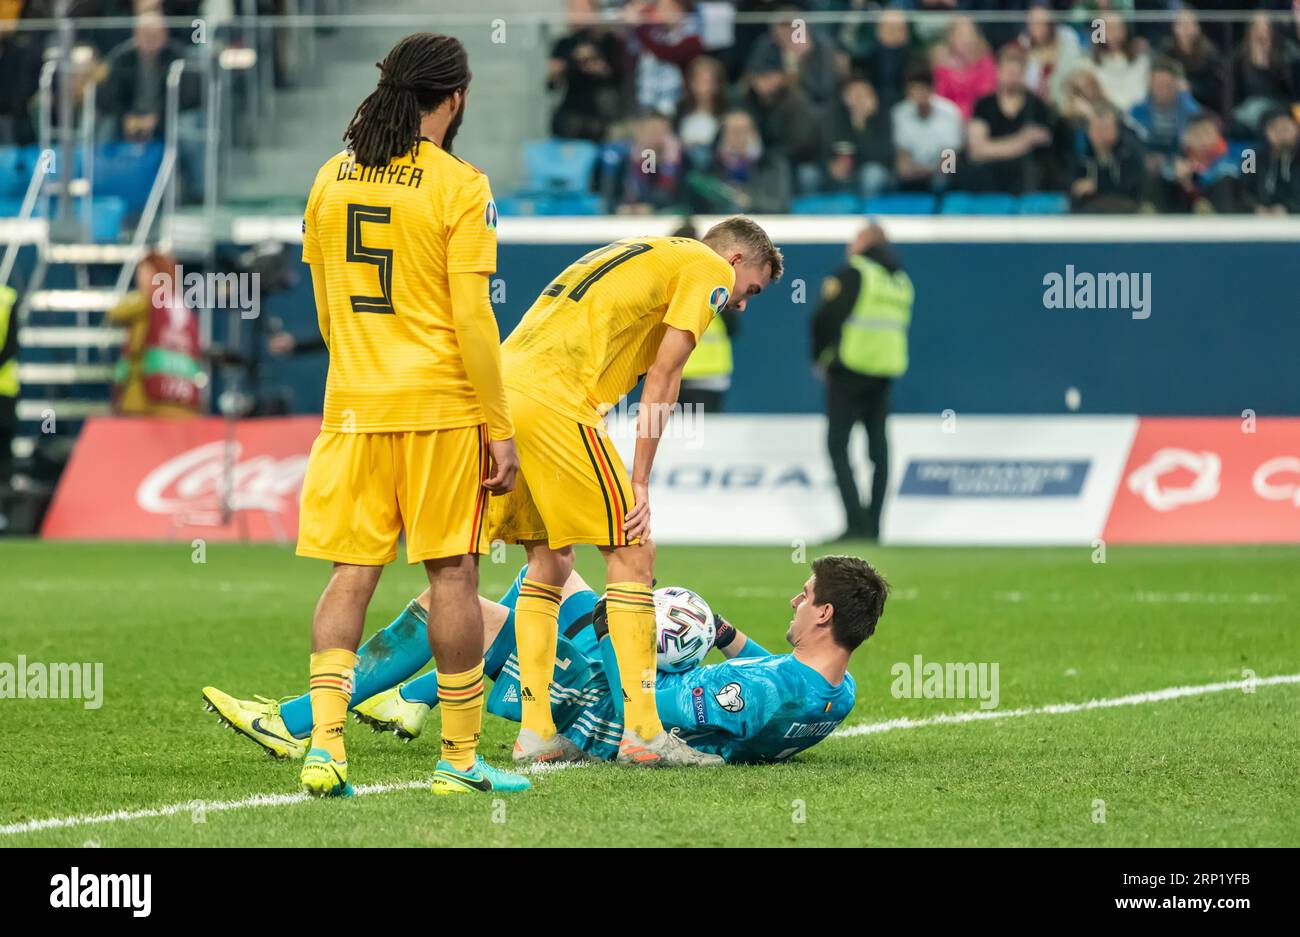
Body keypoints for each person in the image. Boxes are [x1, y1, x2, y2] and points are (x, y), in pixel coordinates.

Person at [295, 33, 526, 798]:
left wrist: (359, 376)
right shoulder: (461, 185)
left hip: (355, 407)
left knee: (351, 571)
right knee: (453, 573)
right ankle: (459, 763)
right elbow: (473, 321)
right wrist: (498, 424)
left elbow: (328, 309)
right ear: (454, 97)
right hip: (440, 410)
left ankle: (325, 748)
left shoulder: (330, 177)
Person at [489, 216, 780, 768]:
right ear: (736, 261)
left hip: (504, 391)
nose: (740, 305)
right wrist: (640, 479)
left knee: (547, 561)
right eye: (751, 292)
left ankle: (535, 732)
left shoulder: (643, 250)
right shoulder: (708, 266)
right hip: (556, 399)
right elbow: (666, 376)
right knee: (633, 551)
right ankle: (644, 733)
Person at [202, 555, 889, 765]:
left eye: (804, 597)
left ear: (824, 614)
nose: (794, 602)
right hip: (634, 689)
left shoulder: (762, 698)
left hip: (612, 700)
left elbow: (649, 721)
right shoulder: (837, 687)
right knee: (552, 572)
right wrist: (720, 629)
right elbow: (772, 668)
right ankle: (413, 700)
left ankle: (295, 720)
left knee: (464, 605)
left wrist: (632, 631)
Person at [812, 223, 913, 542]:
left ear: (867, 243)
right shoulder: (900, 281)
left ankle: (855, 524)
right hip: (884, 372)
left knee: (837, 445)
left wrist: (820, 357)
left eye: (856, 238)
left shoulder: (855, 272)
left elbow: (824, 317)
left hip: (849, 369)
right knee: (878, 450)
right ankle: (874, 526)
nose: (850, 243)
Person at [967, 45, 1056, 195]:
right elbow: (976, 151)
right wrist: (1021, 141)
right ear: (998, 72)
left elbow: (1044, 142)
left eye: (1017, 73)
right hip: (988, 179)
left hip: (1026, 181)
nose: (1012, 77)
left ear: (1024, 75)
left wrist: (991, 147)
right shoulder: (984, 104)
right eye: (1008, 72)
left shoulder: (1037, 106)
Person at [547, 0, 626, 142]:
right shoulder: (564, 44)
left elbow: (617, 77)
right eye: (574, 9)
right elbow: (552, 86)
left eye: (583, 9)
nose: (577, 14)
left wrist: (595, 62)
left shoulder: (608, 41)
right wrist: (555, 72)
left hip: (601, 110)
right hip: (572, 110)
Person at [891, 63, 963, 193]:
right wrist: (918, 171)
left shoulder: (950, 113)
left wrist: (932, 172)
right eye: (914, 90)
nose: (919, 94)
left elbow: (949, 165)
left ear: (931, 89)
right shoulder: (899, 114)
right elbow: (902, 165)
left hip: (941, 176)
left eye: (923, 89)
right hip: (911, 176)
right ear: (908, 92)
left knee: (941, 181)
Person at [1070, 106, 1147, 213]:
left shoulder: (1128, 156)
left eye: (1106, 128)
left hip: (1123, 216)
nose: (1101, 134)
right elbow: (1072, 191)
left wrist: (1097, 188)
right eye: (1097, 128)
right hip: (1089, 217)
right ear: (1089, 132)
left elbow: (1132, 192)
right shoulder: (1081, 158)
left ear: (1117, 130)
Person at [1244, 107, 1300, 215]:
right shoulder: (1250, 156)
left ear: (1297, 129)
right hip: (1259, 219)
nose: (1282, 134)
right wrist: (1255, 208)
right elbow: (1243, 191)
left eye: (1286, 128)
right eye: (1275, 129)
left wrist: (1288, 209)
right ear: (1265, 132)